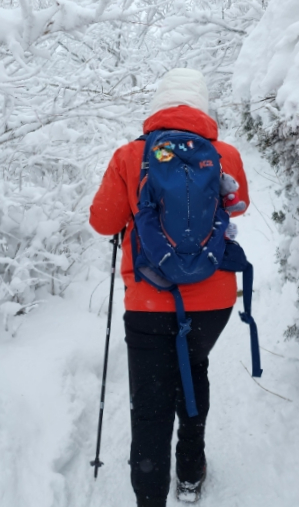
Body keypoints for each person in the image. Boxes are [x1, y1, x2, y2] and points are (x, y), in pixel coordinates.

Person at [88, 68, 250, 507]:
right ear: (202, 109)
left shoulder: (130, 155)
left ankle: (150, 496)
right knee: (193, 369)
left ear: (156, 108)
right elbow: (241, 204)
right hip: (213, 298)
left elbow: (102, 220)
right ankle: (191, 474)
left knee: (151, 401)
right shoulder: (224, 154)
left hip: (148, 299)